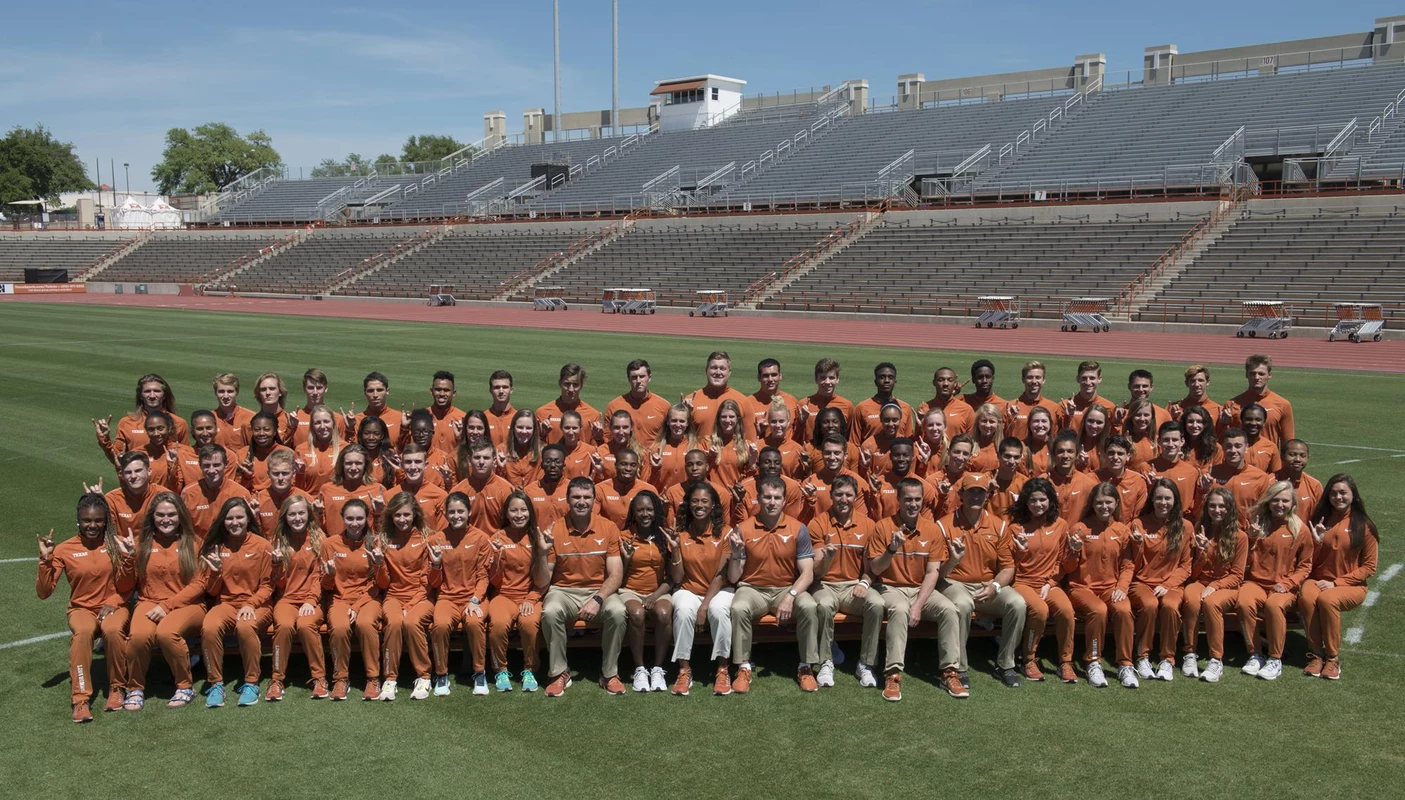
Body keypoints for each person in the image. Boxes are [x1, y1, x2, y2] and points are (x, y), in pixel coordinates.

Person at [865, 478, 966, 702]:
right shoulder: (883, 526)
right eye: (908, 499)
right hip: (890, 587)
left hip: (920, 589)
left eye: (917, 499)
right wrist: (891, 549)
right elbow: (875, 568)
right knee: (900, 609)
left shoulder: (932, 529)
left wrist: (919, 605)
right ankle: (893, 674)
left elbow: (933, 573)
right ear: (899, 500)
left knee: (949, 609)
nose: (913, 504)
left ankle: (949, 672)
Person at [37, 493, 132, 722]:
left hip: (114, 605)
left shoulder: (117, 543)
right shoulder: (64, 549)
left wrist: (113, 602)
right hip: (81, 609)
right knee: (83, 632)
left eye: (98, 520)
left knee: (112, 630)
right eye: (86, 520)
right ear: (78, 521)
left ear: (105, 521)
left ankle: (117, 687)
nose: (92, 525)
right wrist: (45, 561)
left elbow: (130, 584)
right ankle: (80, 699)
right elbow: (44, 592)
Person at [726, 476, 820, 693]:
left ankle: (805, 666)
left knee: (809, 606)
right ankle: (743, 667)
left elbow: (807, 573)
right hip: (752, 588)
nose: (771, 502)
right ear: (758, 498)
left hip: (786, 588)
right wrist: (736, 554)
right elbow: (733, 578)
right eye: (767, 497)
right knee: (739, 607)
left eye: (777, 498)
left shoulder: (798, 528)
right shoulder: (743, 528)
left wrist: (791, 596)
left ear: (784, 501)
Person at [535, 477, 628, 697]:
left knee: (618, 611)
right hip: (564, 591)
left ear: (594, 500)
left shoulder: (608, 527)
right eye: (576, 497)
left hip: (598, 590)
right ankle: (559, 672)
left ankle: (609, 673)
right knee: (550, 612)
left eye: (587, 497)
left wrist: (598, 599)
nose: (581, 502)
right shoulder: (555, 529)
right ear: (567, 500)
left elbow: (616, 575)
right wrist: (541, 553)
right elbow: (542, 581)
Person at [937, 472, 1026, 688]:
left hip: (987, 584)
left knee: (1018, 603)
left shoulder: (999, 525)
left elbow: (1008, 567)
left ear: (987, 496)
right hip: (954, 582)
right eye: (971, 492)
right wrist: (953, 560)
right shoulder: (944, 525)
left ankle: (1005, 664)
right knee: (962, 604)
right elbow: (938, 572)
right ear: (961, 494)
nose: (975, 496)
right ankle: (958, 667)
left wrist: (995, 585)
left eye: (980, 492)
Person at [125, 493, 207, 709]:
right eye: (160, 515)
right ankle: (134, 688)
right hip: (149, 601)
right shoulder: (141, 544)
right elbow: (127, 584)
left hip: (189, 604)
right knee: (139, 636)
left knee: (167, 633)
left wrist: (167, 606)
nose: (166, 519)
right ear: (152, 517)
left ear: (180, 516)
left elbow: (199, 584)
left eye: (171, 514)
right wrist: (127, 559)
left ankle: (184, 686)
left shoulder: (194, 543)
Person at [1300, 474, 1378, 680]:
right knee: (1307, 598)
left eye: (1343, 493)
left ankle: (1332, 658)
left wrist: (1337, 583)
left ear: (1354, 495)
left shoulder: (1364, 525)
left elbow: (1369, 567)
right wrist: (1317, 542)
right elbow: (1307, 559)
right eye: (1333, 493)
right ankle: (1316, 654)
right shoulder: (1320, 520)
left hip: (1351, 585)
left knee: (1328, 599)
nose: (1338, 497)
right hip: (1318, 580)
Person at [199, 497, 275, 708]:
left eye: (239, 517)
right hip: (226, 604)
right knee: (209, 626)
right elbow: (212, 591)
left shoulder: (262, 545)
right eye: (229, 518)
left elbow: (268, 586)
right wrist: (215, 572)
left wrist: (250, 604)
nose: (235, 522)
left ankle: (251, 682)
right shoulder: (216, 546)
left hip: (258, 605)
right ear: (223, 521)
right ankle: (216, 683)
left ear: (248, 518)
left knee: (245, 626)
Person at [808, 474, 882, 689]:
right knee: (823, 605)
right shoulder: (818, 523)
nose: (843, 499)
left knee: (877, 604)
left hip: (854, 585)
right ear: (831, 495)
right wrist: (827, 558)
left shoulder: (868, 525)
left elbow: (872, 569)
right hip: (825, 584)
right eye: (839, 494)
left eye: (849, 495)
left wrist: (864, 583)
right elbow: (816, 574)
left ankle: (866, 664)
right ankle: (826, 661)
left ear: (855, 497)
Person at [1236, 481, 1313, 681]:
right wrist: (1251, 538)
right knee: (1244, 602)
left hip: (1284, 586)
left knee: (1274, 605)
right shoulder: (1257, 523)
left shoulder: (1300, 529)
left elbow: (1305, 566)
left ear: (1293, 503)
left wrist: (1287, 584)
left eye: (1285, 501)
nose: (1280, 505)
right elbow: (1242, 559)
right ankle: (1255, 654)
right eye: (1275, 500)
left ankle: (1275, 658)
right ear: (1268, 501)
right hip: (1255, 583)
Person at [1065, 482, 1137, 688]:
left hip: (1110, 588)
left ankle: (1125, 664)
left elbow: (1128, 564)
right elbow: (1068, 567)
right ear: (1092, 504)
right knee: (1098, 610)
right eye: (1099, 503)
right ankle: (1093, 661)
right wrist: (1073, 551)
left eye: (1108, 502)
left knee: (1124, 610)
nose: (1104, 507)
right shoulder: (1080, 528)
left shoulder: (1122, 530)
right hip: (1081, 588)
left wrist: (1122, 587)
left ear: (1116, 504)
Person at [667, 482, 736, 696]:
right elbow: (677, 577)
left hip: (720, 590)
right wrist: (675, 549)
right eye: (695, 501)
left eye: (705, 501)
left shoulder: (726, 532)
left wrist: (704, 606)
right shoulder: (680, 533)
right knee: (683, 610)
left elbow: (721, 575)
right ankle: (684, 669)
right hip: (689, 589)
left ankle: (723, 668)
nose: (699, 505)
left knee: (718, 610)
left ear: (713, 505)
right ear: (688, 504)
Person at [1008, 478, 1076, 683]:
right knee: (1039, 610)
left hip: (1049, 583)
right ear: (1025, 502)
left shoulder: (1060, 525)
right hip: (1022, 582)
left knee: (1066, 611)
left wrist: (1050, 583)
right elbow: (1009, 565)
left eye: (1043, 500)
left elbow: (1063, 562)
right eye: (1033, 500)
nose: (1038, 504)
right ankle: (1028, 658)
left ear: (1051, 501)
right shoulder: (1016, 527)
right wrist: (1020, 551)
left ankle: (1066, 661)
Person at [1127, 479, 1193, 682]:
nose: (1163, 503)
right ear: (1152, 500)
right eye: (1159, 498)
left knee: (1171, 606)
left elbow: (1185, 565)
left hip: (1171, 583)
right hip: (1141, 582)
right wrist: (1137, 545)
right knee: (1149, 604)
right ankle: (1142, 656)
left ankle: (1167, 659)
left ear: (1175, 500)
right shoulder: (1139, 524)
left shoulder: (1185, 526)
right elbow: (1132, 564)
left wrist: (1167, 585)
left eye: (1167, 498)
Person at [428, 492, 493, 697]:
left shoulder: (481, 538)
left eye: (460, 511)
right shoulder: (437, 539)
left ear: (469, 512)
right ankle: (441, 674)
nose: (456, 516)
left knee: (474, 622)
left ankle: (479, 672)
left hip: (474, 597)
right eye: (452, 512)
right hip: (446, 598)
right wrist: (436, 564)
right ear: (445, 514)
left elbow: (483, 576)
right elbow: (434, 583)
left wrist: (475, 599)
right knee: (440, 625)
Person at [371, 492, 435, 701]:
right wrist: (378, 564)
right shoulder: (382, 540)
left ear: (415, 514)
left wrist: (412, 603)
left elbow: (428, 579)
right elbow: (384, 583)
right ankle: (390, 679)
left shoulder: (427, 538)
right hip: (393, 596)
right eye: (397, 515)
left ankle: (424, 676)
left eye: (406, 514)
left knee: (412, 622)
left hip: (422, 596)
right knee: (394, 622)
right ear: (390, 516)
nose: (402, 519)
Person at [1179, 487, 1246, 683]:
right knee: (1191, 600)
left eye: (1222, 506)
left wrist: (1215, 586)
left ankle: (1216, 659)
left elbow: (1237, 575)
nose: (1217, 510)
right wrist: (1202, 553)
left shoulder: (1240, 537)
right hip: (1200, 582)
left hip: (1227, 586)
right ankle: (1189, 653)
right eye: (1213, 506)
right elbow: (1193, 573)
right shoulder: (1200, 530)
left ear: (1230, 508)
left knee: (1211, 603)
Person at [322, 499, 386, 701]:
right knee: (339, 627)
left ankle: (373, 678)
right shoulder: (330, 544)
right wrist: (329, 575)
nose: (355, 523)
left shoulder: (375, 542)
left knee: (366, 624)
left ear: (367, 518)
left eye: (359, 518)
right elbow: (325, 587)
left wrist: (357, 607)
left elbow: (380, 584)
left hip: (368, 598)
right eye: (350, 518)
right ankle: (340, 678)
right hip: (339, 599)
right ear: (342, 518)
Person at [266, 494, 328, 701]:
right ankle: (276, 680)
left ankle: (319, 678)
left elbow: (320, 576)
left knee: (306, 625)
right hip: (287, 599)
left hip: (314, 599)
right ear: (285, 517)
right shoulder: (278, 540)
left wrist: (311, 600)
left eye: (301, 513)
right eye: (292, 514)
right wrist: (276, 565)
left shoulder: (319, 538)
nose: (297, 518)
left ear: (308, 514)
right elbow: (278, 584)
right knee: (283, 626)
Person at [487, 491, 545, 693]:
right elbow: (494, 581)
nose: (519, 515)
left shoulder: (538, 537)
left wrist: (532, 598)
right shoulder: (497, 538)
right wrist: (496, 556)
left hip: (530, 595)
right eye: (514, 510)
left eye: (523, 510)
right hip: (503, 595)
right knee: (498, 625)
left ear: (530, 512)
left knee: (529, 624)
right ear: (507, 513)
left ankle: (530, 669)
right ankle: (500, 670)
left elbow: (544, 578)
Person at [619, 491, 673, 692]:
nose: (645, 514)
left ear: (656, 511)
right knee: (637, 613)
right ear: (633, 512)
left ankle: (658, 668)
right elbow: (618, 576)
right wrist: (626, 558)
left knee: (663, 613)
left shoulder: (664, 536)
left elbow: (673, 577)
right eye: (640, 510)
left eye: (649, 509)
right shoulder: (625, 536)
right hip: (630, 590)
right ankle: (640, 669)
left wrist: (655, 596)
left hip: (658, 590)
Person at [97, 372, 188, 456]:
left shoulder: (179, 423)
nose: (152, 396)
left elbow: (185, 457)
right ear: (140, 395)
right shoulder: (126, 423)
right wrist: (105, 440)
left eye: (157, 391)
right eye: (147, 391)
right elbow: (118, 458)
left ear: (164, 395)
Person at [1195, 429, 1272, 525]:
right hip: (1215, 530)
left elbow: (1264, 513)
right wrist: (1203, 491)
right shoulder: (1209, 475)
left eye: (1238, 446)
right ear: (1222, 448)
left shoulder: (1260, 477)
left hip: (1246, 532)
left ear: (1246, 447)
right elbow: (1197, 513)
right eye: (1228, 446)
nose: (1233, 450)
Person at [181, 445, 252, 539]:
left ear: (226, 464)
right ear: (200, 465)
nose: (211, 470)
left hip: (230, 545)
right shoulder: (188, 493)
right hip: (199, 545)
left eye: (216, 465)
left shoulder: (240, 493)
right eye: (206, 465)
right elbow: (184, 529)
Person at [318, 445, 386, 538]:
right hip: (335, 544)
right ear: (341, 465)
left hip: (367, 544)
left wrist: (379, 513)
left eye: (358, 463)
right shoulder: (326, 489)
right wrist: (317, 514)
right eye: (348, 463)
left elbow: (385, 528)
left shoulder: (378, 489)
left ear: (365, 465)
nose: (353, 468)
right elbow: (319, 526)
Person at [1223, 354, 1294, 445]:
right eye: (1253, 373)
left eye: (1261, 374)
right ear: (1246, 374)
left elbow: (1288, 442)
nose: (1257, 377)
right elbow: (1223, 439)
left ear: (1269, 375)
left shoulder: (1283, 404)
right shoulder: (1231, 404)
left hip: (1269, 454)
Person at [801, 434, 873, 522]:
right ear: (822, 454)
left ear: (845, 455)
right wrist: (809, 502)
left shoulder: (859, 483)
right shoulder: (809, 484)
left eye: (837, 453)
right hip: (818, 530)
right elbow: (802, 521)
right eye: (828, 453)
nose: (832, 457)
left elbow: (861, 520)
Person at [450, 437, 515, 532]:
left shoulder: (506, 489)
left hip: (497, 540)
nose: (481, 462)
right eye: (477, 457)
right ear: (469, 459)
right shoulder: (458, 491)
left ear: (494, 460)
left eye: (486, 458)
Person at [103, 451, 171, 540]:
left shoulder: (164, 495)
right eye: (128, 472)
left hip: (156, 546)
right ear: (121, 475)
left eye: (138, 471)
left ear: (149, 471)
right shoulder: (111, 499)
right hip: (123, 546)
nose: (133, 476)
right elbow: (108, 533)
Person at [683, 351, 750, 439]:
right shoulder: (690, 401)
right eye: (714, 368)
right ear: (706, 370)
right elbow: (681, 438)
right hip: (700, 447)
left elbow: (750, 440)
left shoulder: (743, 401)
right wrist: (684, 413)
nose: (718, 372)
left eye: (722, 368)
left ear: (729, 372)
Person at [606, 359, 673, 445]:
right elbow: (607, 438)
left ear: (649, 378)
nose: (638, 381)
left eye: (642, 376)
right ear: (629, 379)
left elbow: (671, 437)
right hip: (624, 453)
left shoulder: (664, 406)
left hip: (653, 453)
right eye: (634, 377)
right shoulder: (614, 406)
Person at [536, 363, 602, 446]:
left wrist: (599, 438)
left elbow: (597, 449)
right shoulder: (542, 413)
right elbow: (534, 448)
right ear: (560, 383)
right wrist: (541, 435)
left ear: (581, 385)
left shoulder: (592, 415)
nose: (571, 389)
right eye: (567, 384)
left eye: (575, 385)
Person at [389, 444, 448, 531]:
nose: (413, 467)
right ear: (402, 465)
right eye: (408, 462)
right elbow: (384, 532)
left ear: (426, 465)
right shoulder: (389, 496)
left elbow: (442, 533)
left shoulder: (440, 496)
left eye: (418, 462)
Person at [253, 449, 311, 538]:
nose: (280, 478)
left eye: (285, 473)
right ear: (268, 474)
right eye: (276, 474)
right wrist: (254, 517)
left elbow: (315, 529)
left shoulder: (305, 498)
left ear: (293, 473)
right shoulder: (258, 500)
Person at [852, 362, 915, 442]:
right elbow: (854, 443)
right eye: (882, 377)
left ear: (895, 382)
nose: (886, 381)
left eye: (890, 377)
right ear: (875, 382)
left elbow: (909, 440)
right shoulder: (862, 407)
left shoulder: (905, 408)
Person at [1141, 422, 1200, 509]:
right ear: (1159, 441)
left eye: (1175, 440)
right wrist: (1151, 487)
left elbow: (1195, 506)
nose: (1170, 444)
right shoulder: (1146, 468)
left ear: (1182, 441)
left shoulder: (1192, 472)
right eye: (1166, 440)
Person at [796, 358, 854, 445]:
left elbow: (849, 437)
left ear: (837, 379)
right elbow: (795, 437)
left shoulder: (847, 405)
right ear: (816, 379)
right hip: (811, 451)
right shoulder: (803, 404)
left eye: (831, 378)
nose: (827, 382)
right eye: (823, 377)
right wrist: (801, 422)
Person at [594, 449, 657, 527]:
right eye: (623, 464)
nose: (628, 468)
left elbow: (657, 519)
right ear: (615, 465)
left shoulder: (649, 490)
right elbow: (593, 519)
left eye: (633, 465)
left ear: (637, 467)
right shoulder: (600, 489)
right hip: (608, 533)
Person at [234, 412, 295, 494]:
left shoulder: (288, 453)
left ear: (275, 431)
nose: (261, 433)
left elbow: (294, 485)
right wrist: (246, 477)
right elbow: (237, 488)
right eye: (257, 429)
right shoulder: (242, 454)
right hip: (249, 498)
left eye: (266, 429)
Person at [1005, 361, 1065, 440]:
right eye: (1030, 377)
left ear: (1043, 380)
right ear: (1023, 379)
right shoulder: (1010, 407)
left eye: (1038, 377)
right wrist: (1010, 419)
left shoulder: (1054, 407)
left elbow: (1061, 436)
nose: (1034, 381)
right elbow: (1002, 436)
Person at [1046, 431, 1098, 525]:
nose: (1065, 456)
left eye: (1070, 451)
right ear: (1053, 455)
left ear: (1077, 455)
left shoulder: (1088, 484)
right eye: (1060, 451)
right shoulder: (1044, 481)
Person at [292, 369, 350, 448]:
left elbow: (344, 448)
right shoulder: (295, 418)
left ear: (326, 389)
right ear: (304, 389)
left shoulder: (337, 419)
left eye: (319, 388)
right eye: (310, 388)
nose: (315, 392)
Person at [648, 404, 701, 491]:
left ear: (687, 423)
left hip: (688, 497)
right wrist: (655, 469)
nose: (678, 424)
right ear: (668, 422)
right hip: (662, 497)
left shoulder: (696, 447)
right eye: (674, 420)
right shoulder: (656, 448)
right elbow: (648, 482)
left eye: (682, 421)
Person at [744, 358, 799, 440]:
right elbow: (743, 436)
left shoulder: (792, 401)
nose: (770, 379)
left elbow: (798, 433)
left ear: (780, 376)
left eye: (774, 375)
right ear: (759, 377)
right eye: (766, 376)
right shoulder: (748, 403)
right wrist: (757, 432)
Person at [1096, 436, 1148, 523]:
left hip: (1127, 530)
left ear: (1128, 456)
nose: (1115, 457)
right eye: (1111, 453)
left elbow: (1139, 517)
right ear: (1104, 454)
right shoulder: (1092, 479)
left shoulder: (1138, 481)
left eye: (1120, 453)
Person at [292, 404, 342, 494]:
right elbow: (297, 488)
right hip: (308, 499)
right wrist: (300, 474)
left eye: (326, 421)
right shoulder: (301, 450)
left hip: (334, 499)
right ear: (312, 426)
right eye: (317, 423)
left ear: (333, 423)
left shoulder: (344, 448)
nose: (322, 426)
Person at [706, 399, 752, 487]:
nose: (727, 420)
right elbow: (700, 474)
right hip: (715, 494)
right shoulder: (707, 443)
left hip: (737, 494)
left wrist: (752, 461)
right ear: (718, 419)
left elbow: (750, 479)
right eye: (724, 417)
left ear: (737, 419)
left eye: (731, 417)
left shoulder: (746, 445)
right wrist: (710, 458)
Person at [1061, 361, 1118, 433]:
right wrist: (1068, 416)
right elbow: (1057, 434)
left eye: (1092, 378)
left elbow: (1112, 435)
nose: (1088, 382)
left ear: (1099, 379)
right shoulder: (1064, 406)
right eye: (1084, 378)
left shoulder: (1109, 407)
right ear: (1078, 379)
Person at [917, 366, 974, 437]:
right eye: (941, 380)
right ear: (934, 382)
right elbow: (917, 438)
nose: (946, 384)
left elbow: (971, 440)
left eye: (950, 380)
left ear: (955, 383)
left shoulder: (966, 409)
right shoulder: (924, 408)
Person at [757, 400, 807, 479]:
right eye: (774, 421)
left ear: (788, 422)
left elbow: (798, 480)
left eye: (781, 421)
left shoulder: (796, 449)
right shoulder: (759, 446)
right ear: (768, 422)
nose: (777, 425)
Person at [524, 444, 570, 529]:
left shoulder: (572, 489)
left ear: (564, 465)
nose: (552, 465)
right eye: (548, 461)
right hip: (538, 536)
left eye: (558, 461)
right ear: (542, 465)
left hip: (564, 536)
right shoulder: (529, 491)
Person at [1277, 440, 1323, 523]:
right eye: (1292, 454)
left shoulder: (1315, 485)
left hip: (1303, 531)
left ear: (1308, 457)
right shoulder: (1269, 482)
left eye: (1303, 456)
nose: (1297, 459)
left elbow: (1320, 516)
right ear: (1282, 456)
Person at [805, 406, 860, 475]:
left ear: (841, 424)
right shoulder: (809, 449)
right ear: (819, 425)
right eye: (826, 422)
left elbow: (855, 477)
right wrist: (808, 469)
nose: (830, 425)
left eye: (835, 422)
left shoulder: (852, 449)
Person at [594, 409, 645, 481]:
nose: (621, 432)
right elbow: (596, 484)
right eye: (617, 427)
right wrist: (599, 473)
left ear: (631, 427)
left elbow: (645, 483)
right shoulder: (601, 452)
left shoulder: (641, 453)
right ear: (610, 428)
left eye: (625, 427)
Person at [353, 371, 402, 446]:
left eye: (379, 390)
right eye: (370, 391)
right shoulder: (356, 421)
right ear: (365, 393)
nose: (375, 395)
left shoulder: (399, 418)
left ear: (387, 391)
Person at [251, 372, 297, 446]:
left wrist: (291, 428)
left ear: (280, 392)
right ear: (259, 394)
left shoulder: (290, 421)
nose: (268, 393)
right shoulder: (252, 422)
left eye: (272, 389)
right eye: (263, 389)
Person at [425, 371, 466, 455]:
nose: (442, 394)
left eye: (446, 390)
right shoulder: (422, 417)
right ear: (431, 391)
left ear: (454, 393)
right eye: (438, 389)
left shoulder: (462, 418)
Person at [988, 438, 1029, 522]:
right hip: (990, 528)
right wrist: (986, 491)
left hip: (1015, 528)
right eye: (1007, 456)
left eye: (1016, 457)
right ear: (998, 455)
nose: (1012, 461)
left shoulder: (1025, 483)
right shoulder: (986, 479)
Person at [211, 372, 255, 448]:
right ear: (215, 393)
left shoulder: (251, 417)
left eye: (230, 391)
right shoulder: (210, 418)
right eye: (221, 391)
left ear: (236, 392)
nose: (225, 396)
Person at [502, 409, 543, 488]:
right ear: (513, 428)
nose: (524, 431)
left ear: (534, 430)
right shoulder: (501, 450)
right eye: (520, 427)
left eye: (528, 428)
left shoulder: (542, 451)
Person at [1239, 404, 1283, 474]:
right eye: (1248, 419)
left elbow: (1276, 475)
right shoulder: (1233, 446)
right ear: (1242, 421)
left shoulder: (1271, 447)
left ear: (1264, 422)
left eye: (1258, 420)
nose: (1253, 423)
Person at [1120, 398, 1159, 473]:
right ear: (1131, 417)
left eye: (1146, 415)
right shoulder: (1124, 439)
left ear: (1152, 417)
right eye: (1138, 415)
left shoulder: (1156, 441)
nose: (1142, 419)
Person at [556, 410, 597, 481]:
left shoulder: (590, 451)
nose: (571, 432)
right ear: (561, 427)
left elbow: (597, 477)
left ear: (581, 428)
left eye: (574, 428)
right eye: (567, 428)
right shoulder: (554, 451)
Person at [1179, 405, 1221, 471]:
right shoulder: (1177, 445)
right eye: (1190, 421)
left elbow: (1219, 472)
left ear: (1206, 424)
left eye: (1199, 421)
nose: (1195, 425)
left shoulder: (1215, 448)